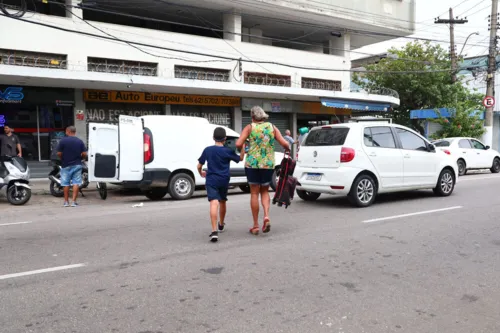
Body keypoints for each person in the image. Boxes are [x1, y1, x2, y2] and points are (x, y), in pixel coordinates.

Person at [236, 106, 290, 235]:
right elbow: (285, 144)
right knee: (265, 191)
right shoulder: (271, 127)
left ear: (252, 117)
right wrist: (287, 150)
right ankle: (266, 216)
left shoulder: (249, 127)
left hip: (253, 164)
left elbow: (238, 144)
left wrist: (244, 146)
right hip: (267, 164)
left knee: (254, 193)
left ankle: (255, 226)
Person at [197, 127, 244, 243]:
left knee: (214, 202)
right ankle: (221, 224)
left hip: (211, 179)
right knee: (222, 201)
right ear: (225, 139)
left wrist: (201, 172)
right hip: (224, 179)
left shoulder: (207, 150)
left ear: (213, 138)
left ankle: (214, 231)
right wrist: (242, 147)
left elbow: (199, 165)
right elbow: (241, 158)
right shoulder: (228, 151)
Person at [56, 126, 87, 207]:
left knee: (65, 183)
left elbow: (59, 153)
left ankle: (66, 202)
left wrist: (62, 158)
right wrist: (81, 158)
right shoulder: (79, 141)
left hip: (65, 165)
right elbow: (84, 154)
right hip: (77, 164)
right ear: (74, 132)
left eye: (66, 131)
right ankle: (73, 202)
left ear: (68, 131)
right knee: (76, 183)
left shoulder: (63, 141)